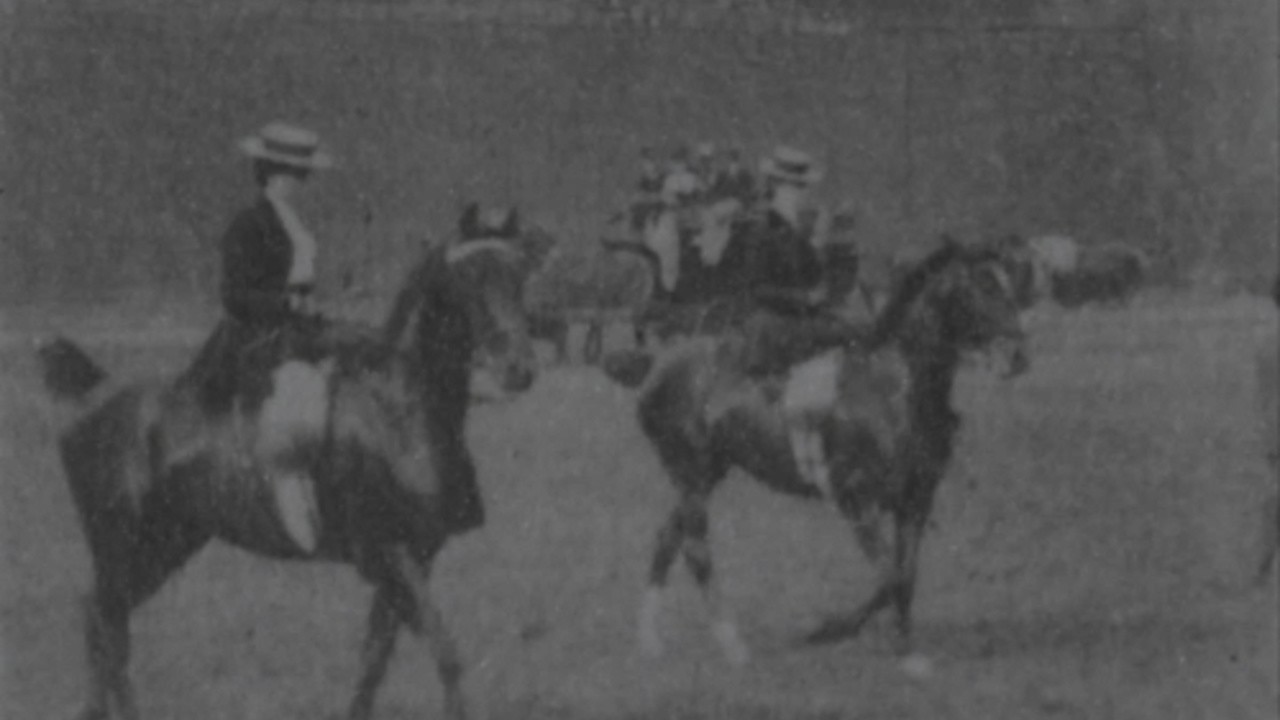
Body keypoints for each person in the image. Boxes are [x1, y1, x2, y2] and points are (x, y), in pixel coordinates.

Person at [180, 121, 337, 553]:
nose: (295, 183)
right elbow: (234, 294)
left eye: (299, 175)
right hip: (256, 339)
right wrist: (285, 306)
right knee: (296, 397)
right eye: (286, 173)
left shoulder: (293, 221)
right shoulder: (248, 223)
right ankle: (289, 497)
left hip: (295, 331)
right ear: (267, 173)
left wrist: (307, 307)